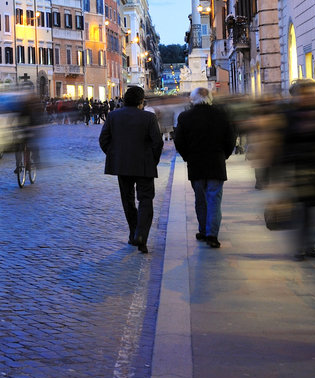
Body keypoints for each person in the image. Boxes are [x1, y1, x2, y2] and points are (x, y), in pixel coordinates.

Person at [99, 85, 163, 253]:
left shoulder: (113, 116)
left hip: (122, 165)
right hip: (144, 165)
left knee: (127, 200)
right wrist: (152, 160)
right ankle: (141, 235)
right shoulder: (149, 118)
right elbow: (158, 142)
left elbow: (103, 140)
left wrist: (115, 155)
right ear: (141, 101)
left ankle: (133, 232)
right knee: (145, 199)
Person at [278, 79, 315, 261]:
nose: (311, 97)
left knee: (314, 210)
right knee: (301, 209)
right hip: (298, 168)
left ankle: (309, 244)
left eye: (313, 93)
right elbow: (283, 144)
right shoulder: (289, 115)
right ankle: (300, 247)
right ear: (297, 96)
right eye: (307, 93)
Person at [173, 87, 237, 248]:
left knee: (200, 200)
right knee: (214, 200)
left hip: (196, 164)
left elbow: (179, 141)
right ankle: (212, 235)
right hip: (216, 163)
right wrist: (224, 155)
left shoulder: (185, 117)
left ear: (192, 99)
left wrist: (187, 156)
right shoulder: (221, 115)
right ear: (210, 98)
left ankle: (202, 230)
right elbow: (231, 138)